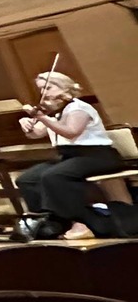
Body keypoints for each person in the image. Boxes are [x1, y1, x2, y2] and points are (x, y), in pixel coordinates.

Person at [17, 71, 130, 240]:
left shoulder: (79, 108)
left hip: (97, 155)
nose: (43, 93)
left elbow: (71, 132)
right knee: (27, 179)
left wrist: (41, 117)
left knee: (55, 176)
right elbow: (36, 134)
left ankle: (83, 222)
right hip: (70, 156)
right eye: (41, 89)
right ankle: (51, 222)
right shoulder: (55, 111)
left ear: (64, 88)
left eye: (48, 88)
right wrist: (27, 125)